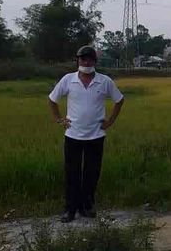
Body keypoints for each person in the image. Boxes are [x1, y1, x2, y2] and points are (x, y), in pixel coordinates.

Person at [48, 45, 125, 222]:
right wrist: (59, 119)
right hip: (73, 135)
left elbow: (119, 100)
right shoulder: (68, 80)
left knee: (92, 173)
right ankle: (70, 209)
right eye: (83, 59)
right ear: (78, 61)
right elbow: (52, 100)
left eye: (90, 59)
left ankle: (87, 206)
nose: (86, 62)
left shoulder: (104, 81)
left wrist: (110, 121)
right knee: (72, 173)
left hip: (96, 136)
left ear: (95, 61)